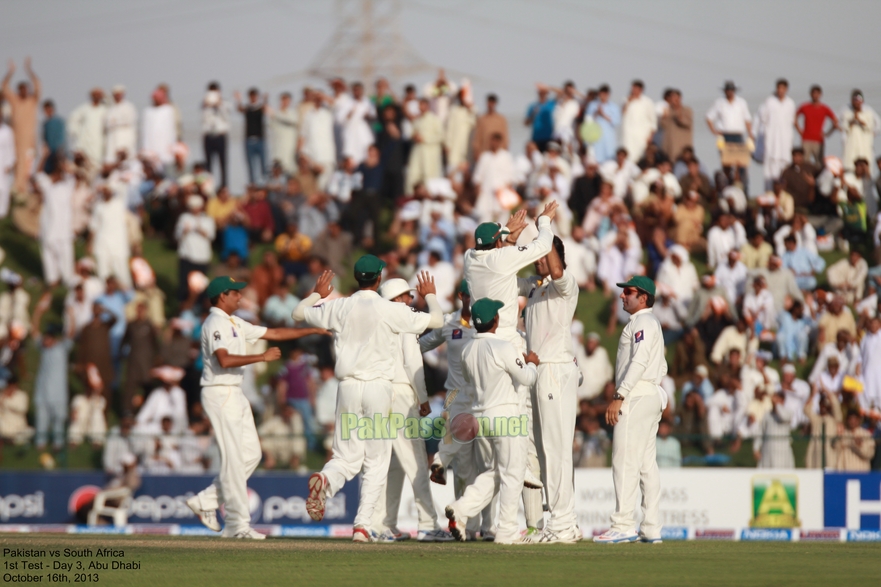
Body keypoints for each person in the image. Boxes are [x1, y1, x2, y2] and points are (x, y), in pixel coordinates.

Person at [294, 257, 444, 542]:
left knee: (345, 457)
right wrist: (431, 295)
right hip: (378, 389)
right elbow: (436, 320)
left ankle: (327, 481)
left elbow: (298, 313)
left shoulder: (340, 305)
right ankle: (363, 525)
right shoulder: (390, 309)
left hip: (347, 387)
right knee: (377, 461)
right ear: (378, 279)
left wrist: (317, 293)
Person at [186, 276, 327, 539]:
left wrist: (311, 330)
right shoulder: (215, 323)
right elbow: (224, 359)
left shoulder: (234, 322)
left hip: (234, 392)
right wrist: (261, 357)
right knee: (232, 459)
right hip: (219, 391)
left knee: (252, 454)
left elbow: (273, 333)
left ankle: (206, 501)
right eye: (235, 293)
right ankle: (237, 525)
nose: (240, 297)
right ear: (222, 296)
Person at [444, 298, 540, 545]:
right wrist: (531, 362)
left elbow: (466, 380)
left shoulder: (467, 350)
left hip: (480, 417)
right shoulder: (503, 346)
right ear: (495, 320)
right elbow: (528, 378)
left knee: (494, 472)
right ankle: (507, 530)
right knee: (512, 473)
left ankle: (462, 508)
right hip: (505, 416)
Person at [371, 278, 452, 542]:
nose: (410, 301)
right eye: (406, 296)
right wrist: (423, 398)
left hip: (379, 393)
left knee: (392, 464)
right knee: (417, 462)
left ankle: (382, 524)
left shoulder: (376, 321)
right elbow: (412, 362)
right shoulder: (402, 319)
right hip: (402, 395)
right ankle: (427, 524)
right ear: (396, 299)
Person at [420, 280, 495, 541]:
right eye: (468, 294)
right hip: (454, 396)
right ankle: (463, 525)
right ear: (461, 295)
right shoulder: (449, 321)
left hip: (483, 397)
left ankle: (488, 526)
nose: (472, 299)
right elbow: (422, 344)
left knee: (488, 462)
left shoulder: (487, 321)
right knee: (463, 467)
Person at [594, 276, 667, 544]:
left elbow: (641, 360)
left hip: (636, 394)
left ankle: (623, 524)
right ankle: (651, 528)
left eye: (629, 292)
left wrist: (619, 395)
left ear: (644, 297)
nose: (622, 296)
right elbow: (657, 365)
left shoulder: (644, 321)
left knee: (624, 460)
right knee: (646, 465)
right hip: (649, 393)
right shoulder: (647, 322)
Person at [517, 236, 581, 543]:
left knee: (557, 451)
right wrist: (509, 239)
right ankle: (567, 521)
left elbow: (556, 271)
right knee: (546, 452)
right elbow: (500, 275)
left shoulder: (564, 285)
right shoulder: (534, 286)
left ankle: (562, 525)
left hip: (555, 369)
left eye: (543, 255)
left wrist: (545, 229)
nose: (538, 261)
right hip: (539, 372)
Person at [32, 150, 75, 288]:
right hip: (48, 229)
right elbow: (37, 174)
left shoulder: (68, 184)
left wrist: (63, 162)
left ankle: (68, 282)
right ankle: (52, 281)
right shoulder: (47, 184)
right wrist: (43, 156)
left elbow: (72, 172)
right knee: (49, 258)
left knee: (66, 261)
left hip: (63, 231)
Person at [1, 58, 40, 193]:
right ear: (18, 90)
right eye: (21, 89)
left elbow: (38, 85)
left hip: (29, 141)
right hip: (15, 141)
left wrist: (29, 70)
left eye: (26, 89)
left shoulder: (32, 101)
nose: (24, 91)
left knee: (28, 167)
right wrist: (10, 72)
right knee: (15, 166)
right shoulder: (15, 100)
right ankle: (17, 192)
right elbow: (4, 87)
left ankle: (26, 191)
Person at [756, 79, 796, 185]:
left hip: (785, 140)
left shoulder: (790, 103)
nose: (781, 91)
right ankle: (769, 190)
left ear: (786, 89)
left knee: (785, 164)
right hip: (772, 140)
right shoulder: (769, 102)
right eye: (779, 88)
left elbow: (792, 120)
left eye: (783, 88)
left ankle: (783, 190)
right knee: (770, 164)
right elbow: (763, 119)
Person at [795, 85, 839, 165]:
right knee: (804, 163)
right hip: (806, 139)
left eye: (817, 93)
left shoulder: (824, 108)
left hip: (819, 141)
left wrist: (827, 133)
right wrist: (799, 130)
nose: (815, 95)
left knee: (819, 164)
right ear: (810, 94)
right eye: (813, 93)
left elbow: (835, 121)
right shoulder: (805, 107)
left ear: (820, 95)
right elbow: (795, 117)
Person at [406, 98, 443, 193]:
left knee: (429, 175)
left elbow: (440, 136)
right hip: (418, 151)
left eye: (422, 105)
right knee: (414, 174)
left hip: (430, 152)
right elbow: (412, 133)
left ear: (427, 106)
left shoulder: (434, 119)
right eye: (419, 105)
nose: (420, 107)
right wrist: (415, 136)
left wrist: (425, 138)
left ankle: (430, 197)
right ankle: (412, 197)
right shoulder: (417, 120)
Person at [201, 82, 231, 188]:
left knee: (223, 164)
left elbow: (226, 117)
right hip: (208, 136)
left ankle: (224, 186)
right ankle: (209, 187)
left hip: (220, 135)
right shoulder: (204, 105)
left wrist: (219, 104)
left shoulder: (225, 103)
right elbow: (204, 121)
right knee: (208, 164)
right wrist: (206, 105)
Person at [235, 88, 268, 184]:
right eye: (251, 96)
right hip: (249, 140)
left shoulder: (260, 107)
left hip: (260, 139)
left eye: (254, 96)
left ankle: (265, 183)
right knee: (251, 165)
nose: (253, 98)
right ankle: (253, 184)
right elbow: (240, 109)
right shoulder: (248, 108)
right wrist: (238, 100)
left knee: (263, 164)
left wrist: (265, 99)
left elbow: (265, 109)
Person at [67, 87, 107, 167]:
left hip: (98, 142)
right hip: (85, 141)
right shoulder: (84, 108)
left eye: (99, 95)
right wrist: (77, 132)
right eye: (95, 94)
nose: (97, 96)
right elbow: (73, 119)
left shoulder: (105, 110)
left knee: (97, 163)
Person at [841, 89, 879, 171]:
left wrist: (860, 120)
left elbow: (871, 126)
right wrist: (853, 119)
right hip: (851, 146)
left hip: (864, 146)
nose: (857, 103)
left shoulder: (868, 112)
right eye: (855, 100)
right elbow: (844, 127)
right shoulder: (847, 112)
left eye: (858, 100)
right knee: (850, 166)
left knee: (865, 167)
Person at [620, 80, 657, 163]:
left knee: (641, 155)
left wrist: (651, 135)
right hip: (629, 135)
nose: (633, 90)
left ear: (641, 90)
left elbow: (653, 121)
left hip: (642, 134)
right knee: (628, 154)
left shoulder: (647, 102)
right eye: (633, 88)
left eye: (636, 88)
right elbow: (622, 113)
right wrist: (628, 101)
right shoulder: (626, 99)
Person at [586, 84, 621, 162]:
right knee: (595, 156)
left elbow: (616, 122)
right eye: (602, 94)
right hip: (595, 135)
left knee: (609, 157)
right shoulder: (592, 105)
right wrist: (596, 113)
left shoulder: (614, 107)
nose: (603, 96)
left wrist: (603, 114)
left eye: (606, 94)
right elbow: (588, 120)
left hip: (608, 136)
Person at [104, 85, 137, 164]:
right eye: (115, 94)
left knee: (126, 160)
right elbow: (107, 123)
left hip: (125, 138)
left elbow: (129, 121)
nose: (117, 96)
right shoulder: (110, 108)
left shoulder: (129, 107)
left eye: (119, 94)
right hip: (112, 139)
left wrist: (115, 122)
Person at [658, 89, 693, 162]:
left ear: (679, 98)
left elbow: (686, 123)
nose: (673, 101)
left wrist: (677, 110)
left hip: (682, 147)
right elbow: (663, 125)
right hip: (669, 147)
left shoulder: (686, 110)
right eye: (671, 98)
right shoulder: (668, 110)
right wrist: (664, 116)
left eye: (675, 98)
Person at [472, 94, 508, 161]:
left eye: (492, 102)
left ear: (495, 104)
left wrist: (505, 151)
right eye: (489, 102)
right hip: (484, 152)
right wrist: (476, 151)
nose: (490, 104)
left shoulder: (501, 119)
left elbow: (505, 137)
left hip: (498, 154)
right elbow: (477, 137)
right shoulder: (482, 119)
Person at [269, 92, 297, 174]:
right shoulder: (276, 113)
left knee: (291, 171)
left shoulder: (293, 113)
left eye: (286, 99)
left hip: (290, 148)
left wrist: (274, 115)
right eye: (283, 99)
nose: (284, 102)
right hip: (278, 149)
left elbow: (290, 122)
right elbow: (271, 126)